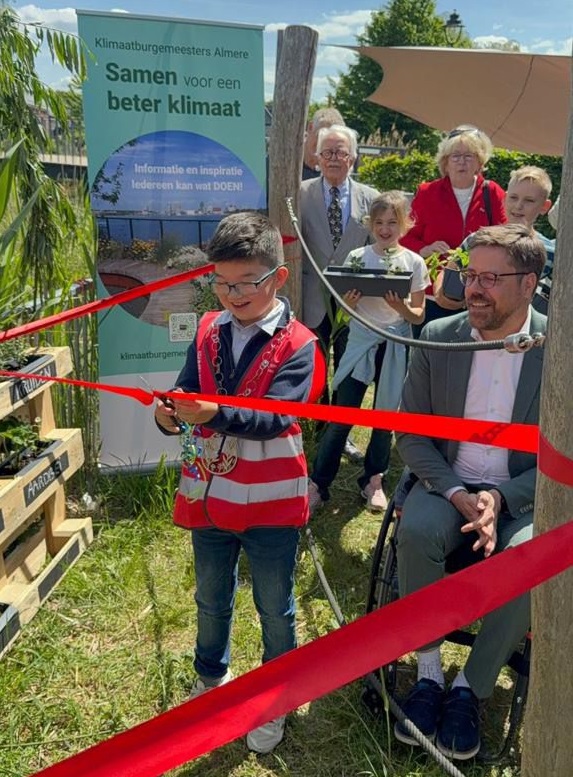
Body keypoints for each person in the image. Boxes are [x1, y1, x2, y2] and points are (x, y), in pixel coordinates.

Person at [154, 212, 323, 755]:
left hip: (270, 497)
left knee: (275, 604)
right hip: (208, 492)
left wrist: (209, 414)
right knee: (210, 595)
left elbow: (276, 417)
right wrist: (172, 414)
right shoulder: (207, 328)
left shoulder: (299, 343)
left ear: (277, 275)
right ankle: (211, 679)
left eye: (245, 283)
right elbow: (186, 389)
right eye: (221, 282)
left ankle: (274, 695)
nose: (231, 294)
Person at [393, 223, 547, 760]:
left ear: (529, 284)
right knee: (414, 529)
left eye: (490, 278)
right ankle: (430, 673)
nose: (473, 288)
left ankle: (470, 688)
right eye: (469, 274)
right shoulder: (440, 337)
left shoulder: (559, 349)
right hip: (446, 485)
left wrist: (503, 500)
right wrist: (457, 491)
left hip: (525, 495)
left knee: (534, 554)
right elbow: (409, 432)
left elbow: (564, 453)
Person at [308, 191, 429, 514]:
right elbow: (346, 309)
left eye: (392, 222)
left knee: (384, 417)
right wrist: (349, 300)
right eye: (379, 222)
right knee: (341, 415)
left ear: (404, 224)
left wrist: (399, 305)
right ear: (370, 224)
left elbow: (418, 315)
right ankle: (318, 482)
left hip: (394, 343)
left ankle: (373, 479)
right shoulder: (359, 257)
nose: (385, 228)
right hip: (361, 340)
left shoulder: (414, 262)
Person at [299, 123, 379, 460]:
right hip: (310, 297)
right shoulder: (298, 193)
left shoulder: (371, 199)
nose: (334, 158)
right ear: (317, 158)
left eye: (341, 152)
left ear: (353, 158)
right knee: (315, 367)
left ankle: (340, 433)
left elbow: (379, 249)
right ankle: (317, 429)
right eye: (327, 152)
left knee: (349, 369)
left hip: (354, 301)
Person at [401, 125, 506, 335]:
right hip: (433, 293)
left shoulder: (492, 192)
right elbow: (404, 238)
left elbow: (505, 236)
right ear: (445, 162)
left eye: (469, 156)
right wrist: (425, 249)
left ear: (479, 162)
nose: (462, 162)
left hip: (479, 293)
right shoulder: (427, 192)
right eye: (455, 156)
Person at [434, 164, 555, 310]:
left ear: (544, 206)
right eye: (513, 197)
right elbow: (448, 272)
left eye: (529, 200)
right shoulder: (477, 240)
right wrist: (443, 293)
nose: (518, 206)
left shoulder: (550, 252)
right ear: (504, 198)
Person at [302, 107, 345, 180]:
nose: (323, 146)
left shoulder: (328, 173)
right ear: (310, 127)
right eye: (321, 137)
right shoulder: (286, 158)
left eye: (332, 142)